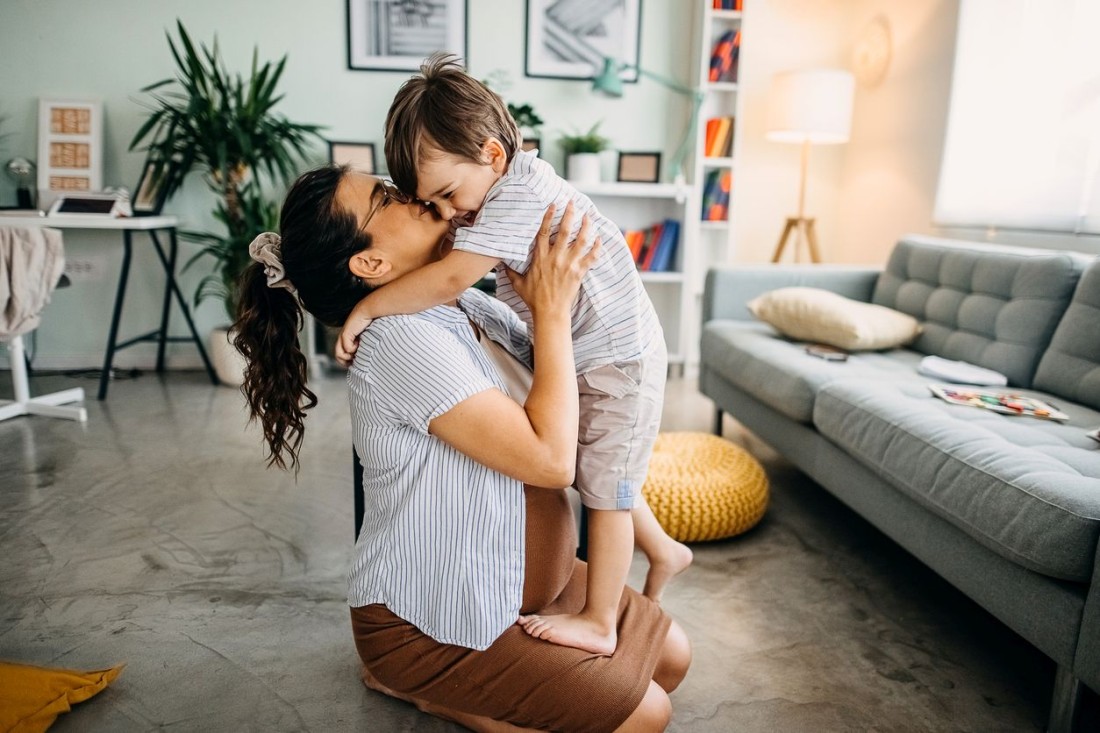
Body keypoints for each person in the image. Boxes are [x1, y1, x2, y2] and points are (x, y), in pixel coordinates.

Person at [234, 166, 691, 731]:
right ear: (370, 263)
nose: (413, 194)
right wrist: (550, 310)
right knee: (647, 715)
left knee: (674, 659)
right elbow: (552, 462)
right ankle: (426, 688)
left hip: (523, 590)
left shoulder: (472, 308)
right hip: (436, 622)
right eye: (386, 197)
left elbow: (576, 406)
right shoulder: (401, 340)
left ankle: (485, 680)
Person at [334, 54, 693, 656]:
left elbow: (451, 280)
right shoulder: (502, 188)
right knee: (605, 465)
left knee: (603, 490)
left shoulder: (514, 197)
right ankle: (663, 547)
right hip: (591, 353)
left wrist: (367, 308)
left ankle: (601, 620)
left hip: (616, 361)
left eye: (447, 195)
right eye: (433, 204)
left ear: (492, 154)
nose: (450, 215)